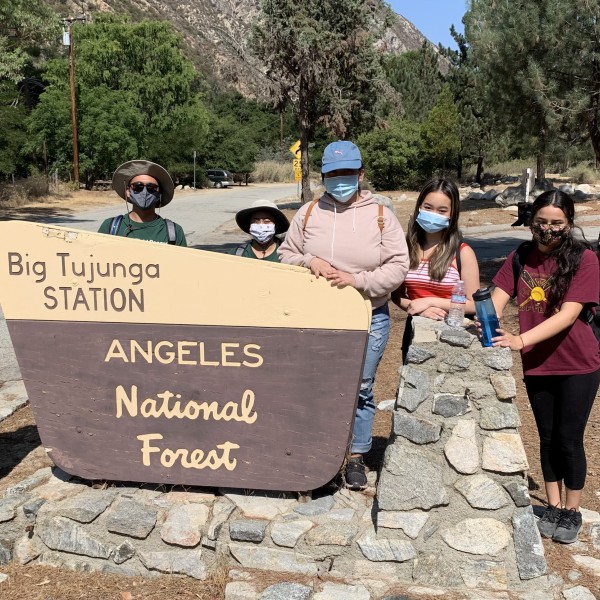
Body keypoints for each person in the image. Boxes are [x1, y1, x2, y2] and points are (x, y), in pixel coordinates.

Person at [278, 140, 409, 490]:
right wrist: (310, 261)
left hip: (370, 315)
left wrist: (358, 280)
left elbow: (399, 266)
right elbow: (286, 255)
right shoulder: (307, 214)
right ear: (323, 176)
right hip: (318, 318)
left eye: (347, 173)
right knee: (318, 385)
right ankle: (318, 452)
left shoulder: (381, 216)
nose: (341, 180)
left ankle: (355, 456)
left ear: (360, 174)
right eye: (333, 174)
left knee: (361, 386)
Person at [489, 190, 600, 544]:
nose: (548, 230)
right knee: (547, 438)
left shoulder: (586, 260)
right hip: (538, 363)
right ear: (531, 220)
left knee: (569, 439)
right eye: (541, 223)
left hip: (577, 363)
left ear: (569, 224)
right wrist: (447, 307)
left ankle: (572, 511)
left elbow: (569, 315)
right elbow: (495, 301)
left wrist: (521, 339)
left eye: (557, 224)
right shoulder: (521, 255)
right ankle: (552, 505)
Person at [391, 178, 479, 359]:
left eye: (442, 210)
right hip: (415, 332)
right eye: (428, 207)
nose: (433, 214)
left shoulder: (463, 253)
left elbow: (474, 305)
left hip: (453, 336)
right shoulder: (405, 247)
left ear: (452, 214)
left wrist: (431, 301)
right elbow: (396, 295)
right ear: (419, 207)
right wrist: (419, 309)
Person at [98, 160, 187, 246]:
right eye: (138, 186)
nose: (144, 192)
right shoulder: (110, 227)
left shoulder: (174, 232)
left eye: (151, 187)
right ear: (128, 192)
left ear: (159, 194)